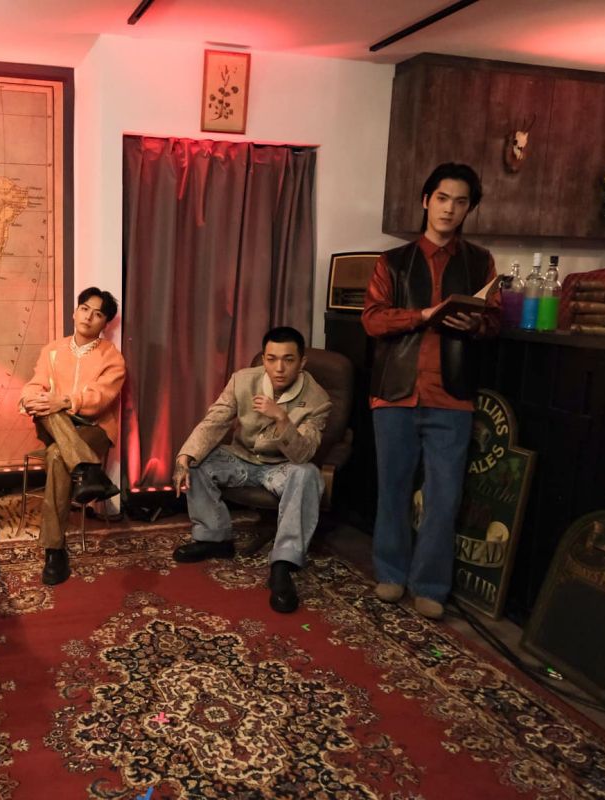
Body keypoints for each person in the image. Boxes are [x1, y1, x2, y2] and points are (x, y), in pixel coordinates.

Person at [362, 162, 501, 620]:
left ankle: (430, 585)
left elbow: (495, 321)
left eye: (460, 202)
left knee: (445, 496)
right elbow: (372, 320)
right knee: (393, 488)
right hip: (395, 392)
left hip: (452, 395)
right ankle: (390, 572)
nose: (449, 209)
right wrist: (422, 315)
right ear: (426, 201)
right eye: (442, 198)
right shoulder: (392, 261)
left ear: (469, 208)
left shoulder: (480, 262)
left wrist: (474, 323)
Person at [170, 326, 332, 613]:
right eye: (271, 359)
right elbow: (214, 422)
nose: (279, 368)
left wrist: (281, 418)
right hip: (242, 457)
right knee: (197, 460)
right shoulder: (242, 380)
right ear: (263, 359)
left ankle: (283, 564)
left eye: (288, 360)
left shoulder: (318, 400)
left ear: (302, 362)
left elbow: (303, 454)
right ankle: (214, 539)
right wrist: (185, 456)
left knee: (308, 474)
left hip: (282, 466)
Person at [20, 287, 125, 585]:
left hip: (93, 428)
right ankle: (89, 470)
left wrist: (64, 401)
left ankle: (54, 551)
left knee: (57, 456)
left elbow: (101, 398)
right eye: (85, 309)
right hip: (53, 423)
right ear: (75, 312)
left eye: (98, 314)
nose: (88, 317)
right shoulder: (52, 350)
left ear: (105, 323)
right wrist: (32, 398)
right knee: (45, 407)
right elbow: (35, 384)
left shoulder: (112, 358)